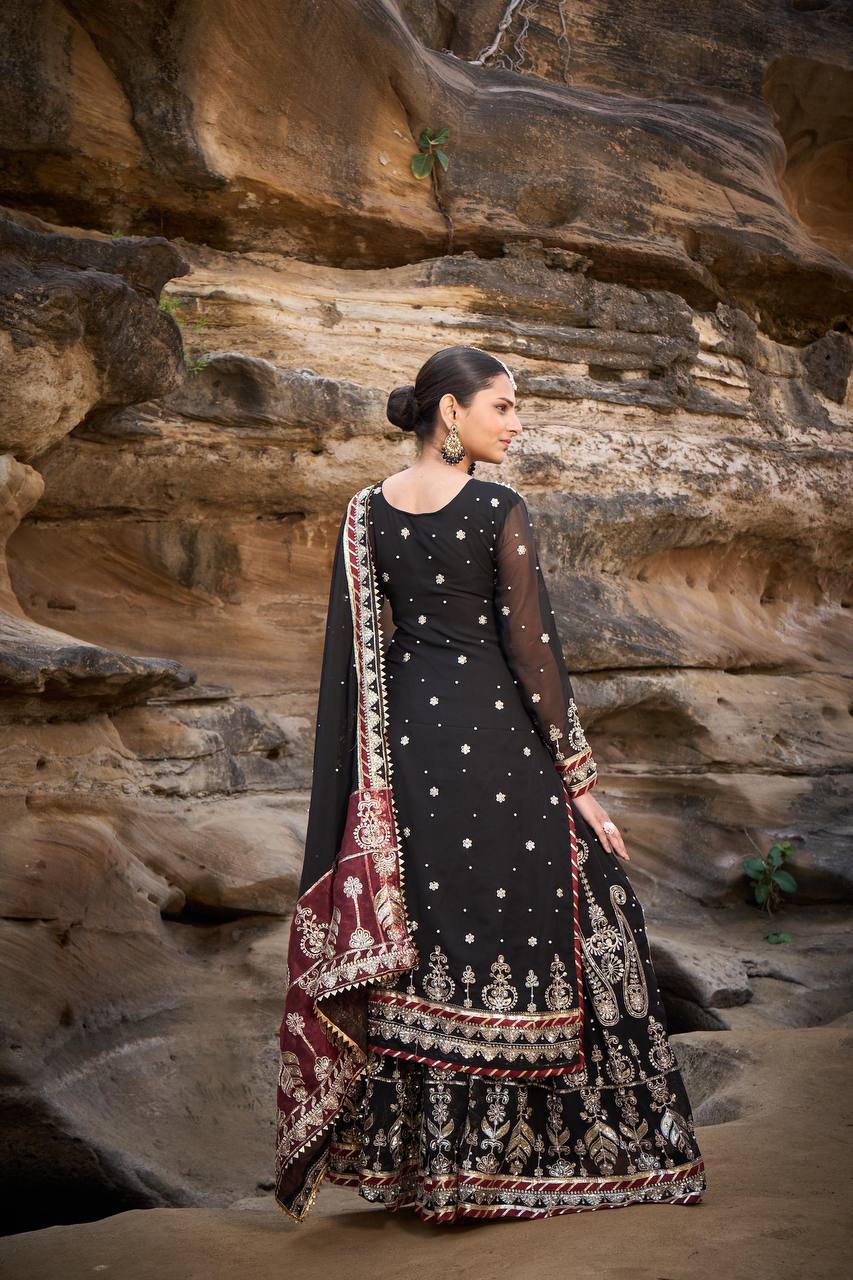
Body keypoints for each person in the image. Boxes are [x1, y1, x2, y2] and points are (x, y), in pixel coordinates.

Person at [275, 345, 707, 1223]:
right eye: (502, 406)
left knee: (430, 942)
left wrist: (368, 783)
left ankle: (432, 1173)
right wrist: (579, 781)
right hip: (499, 742)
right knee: (584, 912)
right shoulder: (496, 507)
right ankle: (547, 1158)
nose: (515, 423)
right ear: (451, 412)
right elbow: (532, 652)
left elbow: (356, 659)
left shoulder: (363, 514)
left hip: (405, 755)